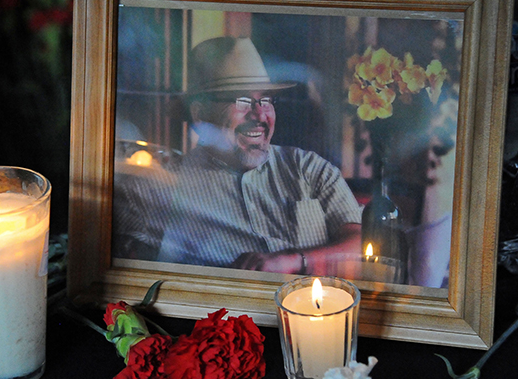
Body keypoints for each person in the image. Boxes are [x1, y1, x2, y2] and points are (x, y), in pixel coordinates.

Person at [113, 36, 362, 276]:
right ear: (200, 114)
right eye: (242, 101)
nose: (259, 114)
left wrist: (293, 260)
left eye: (265, 100)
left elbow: (359, 245)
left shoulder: (307, 168)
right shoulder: (156, 190)